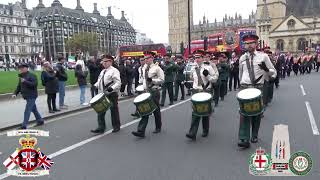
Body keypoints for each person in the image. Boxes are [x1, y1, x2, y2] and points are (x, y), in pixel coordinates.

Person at [237, 34, 276, 149]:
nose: (249, 45)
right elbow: (241, 74)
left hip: (258, 87)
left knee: (256, 113)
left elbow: (274, 73)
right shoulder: (242, 58)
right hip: (245, 87)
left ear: (256, 44)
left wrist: (266, 70)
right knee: (243, 113)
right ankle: (244, 138)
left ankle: (254, 134)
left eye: (251, 43)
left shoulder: (263, 57)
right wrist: (241, 86)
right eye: (247, 44)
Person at [186, 50, 219, 140]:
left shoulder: (208, 67)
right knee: (195, 112)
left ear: (203, 58)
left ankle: (205, 130)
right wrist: (190, 84)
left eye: (199, 57)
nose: (197, 59)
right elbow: (192, 78)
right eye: (196, 57)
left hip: (206, 91)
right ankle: (192, 132)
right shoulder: (193, 68)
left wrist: (208, 76)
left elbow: (215, 79)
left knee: (205, 112)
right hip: (196, 91)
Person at [132, 51, 164, 138]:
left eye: (147, 58)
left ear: (152, 58)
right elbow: (143, 79)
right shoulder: (144, 68)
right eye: (145, 58)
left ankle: (158, 127)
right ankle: (141, 131)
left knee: (156, 110)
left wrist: (153, 81)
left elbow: (162, 80)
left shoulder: (157, 68)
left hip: (154, 91)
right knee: (144, 110)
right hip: (146, 91)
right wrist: (141, 86)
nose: (146, 60)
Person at [91, 55, 121, 134]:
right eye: (103, 61)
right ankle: (101, 127)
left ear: (110, 62)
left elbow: (118, 82)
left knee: (113, 110)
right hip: (103, 93)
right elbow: (100, 81)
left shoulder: (114, 71)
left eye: (105, 61)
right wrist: (95, 85)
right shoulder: (103, 71)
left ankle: (116, 126)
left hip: (112, 93)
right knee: (100, 110)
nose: (103, 63)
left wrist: (112, 88)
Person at [13, 63, 44, 129]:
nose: (21, 69)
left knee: (27, 110)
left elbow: (34, 84)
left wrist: (25, 81)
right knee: (33, 109)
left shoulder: (32, 75)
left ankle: (24, 125)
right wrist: (15, 93)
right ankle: (40, 120)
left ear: (26, 68)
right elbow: (19, 86)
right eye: (20, 68)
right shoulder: (21, 76)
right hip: (26, 96)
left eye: (22, 68)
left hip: (32, 95)